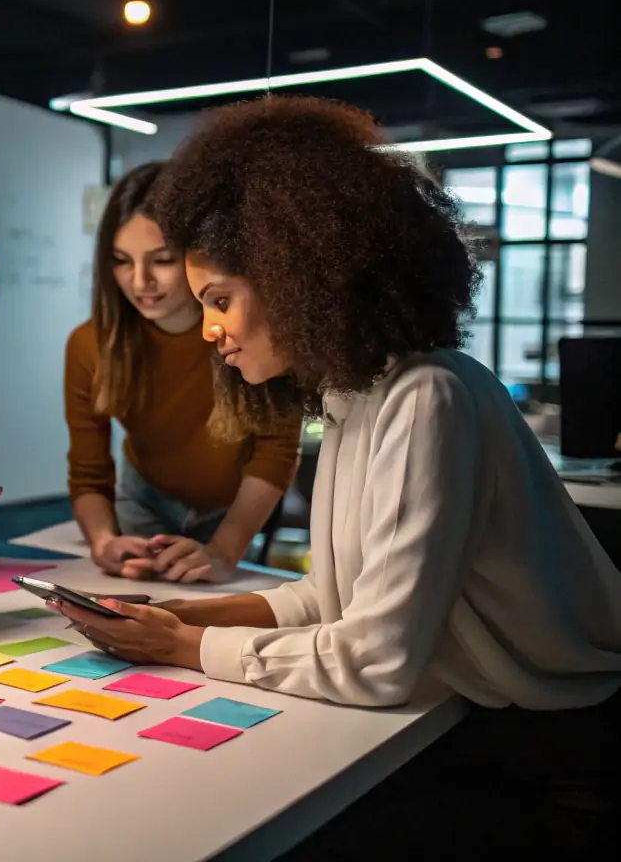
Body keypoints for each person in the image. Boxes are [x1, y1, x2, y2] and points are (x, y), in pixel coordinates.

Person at [54, 97, 621, 857]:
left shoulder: (429, 396)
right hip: (484, 720)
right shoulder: (356, 396)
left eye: (220, 300)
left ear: (297, 279)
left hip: (552, 750)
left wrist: (183, 648)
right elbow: (336, 598)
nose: (211, 330)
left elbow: (377, 661)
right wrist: (171, 617)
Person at [65, 163, 301, 583]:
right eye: (121, 261)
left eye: (163, 260)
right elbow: (89, 469)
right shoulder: (88, 345)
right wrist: (103, 542)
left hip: (239, 504)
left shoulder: (244, 331)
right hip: (145, 502)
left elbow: (276, 451)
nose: (141, 282)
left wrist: (227, 549)